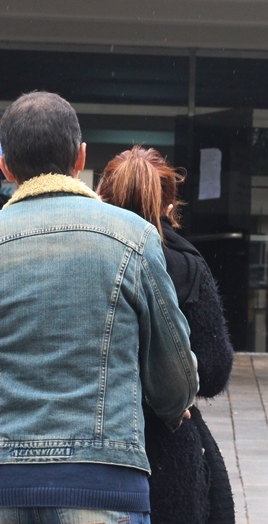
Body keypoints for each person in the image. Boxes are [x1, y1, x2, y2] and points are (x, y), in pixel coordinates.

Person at [0, 91, 198, 523]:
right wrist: (170, 406)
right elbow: (175, 376)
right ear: (80, 157)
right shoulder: (133, 236)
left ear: (5, 166)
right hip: (102, 481)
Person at [96, 146, 237, 524]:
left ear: (102, 194)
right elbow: (213, 370)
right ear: (170, 204)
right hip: (169, 444)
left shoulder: (89, 254)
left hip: (99, 441)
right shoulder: (185, 264)